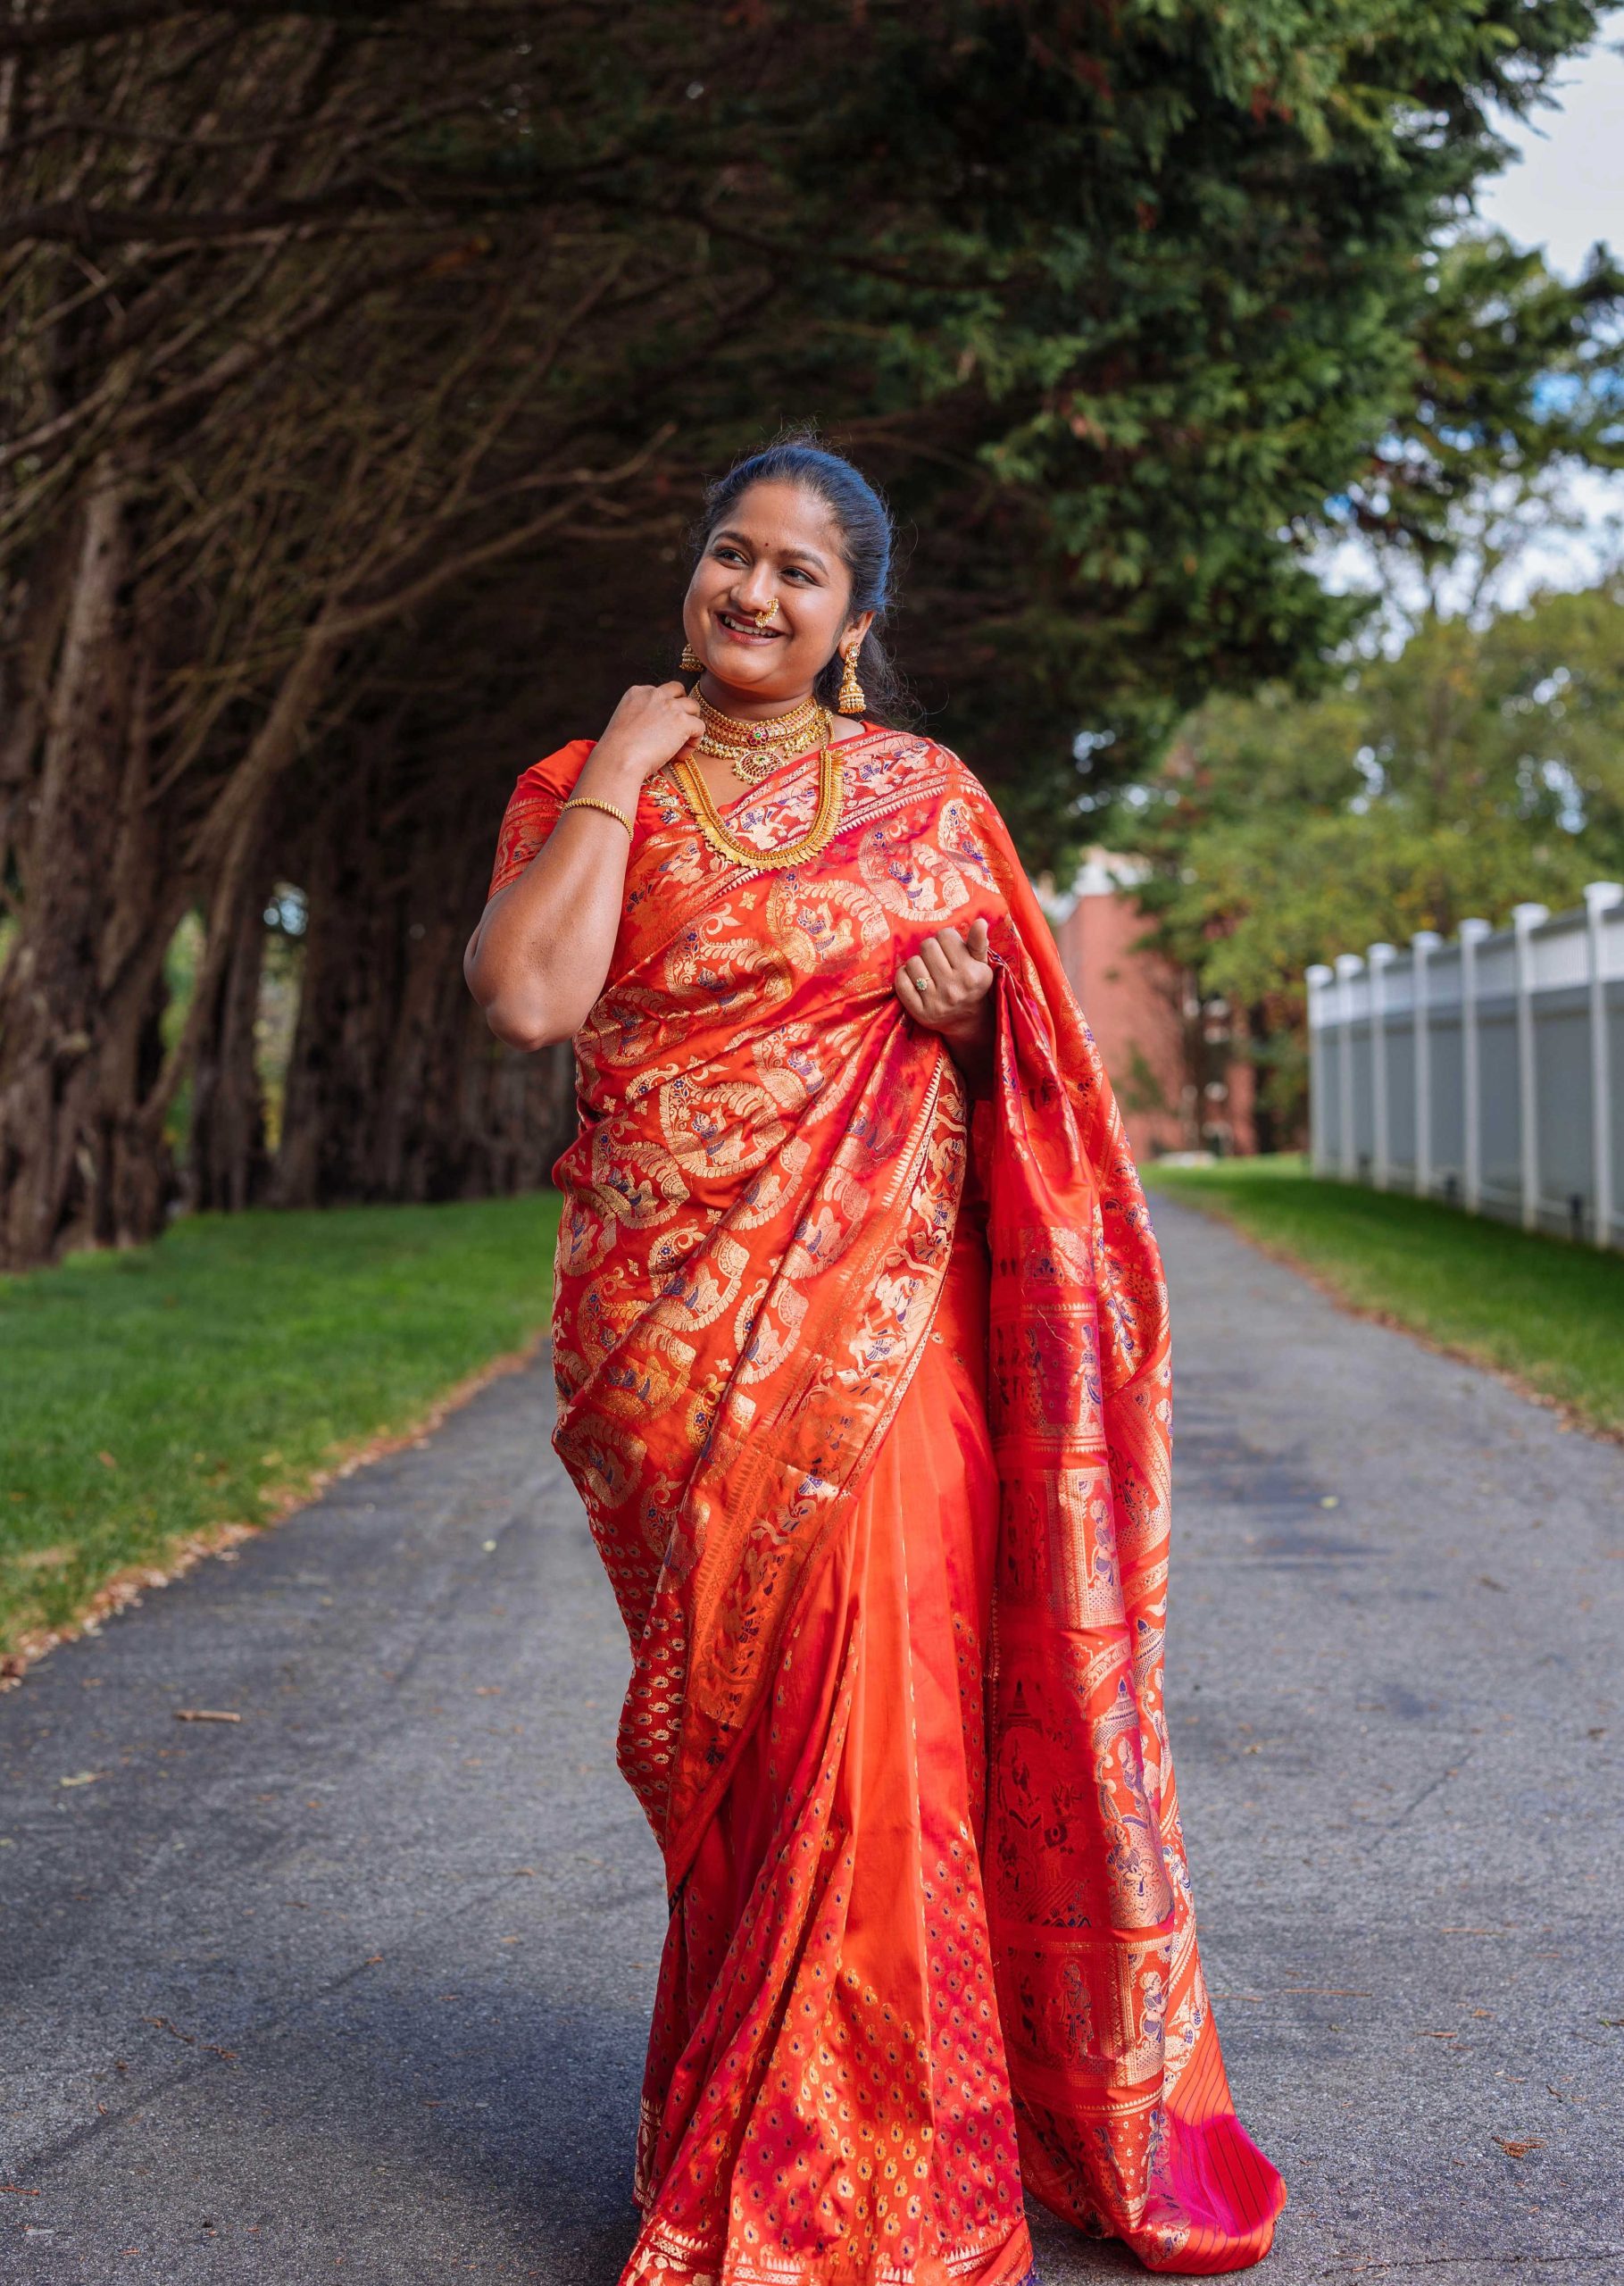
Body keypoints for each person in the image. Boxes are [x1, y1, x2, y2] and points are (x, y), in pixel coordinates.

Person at [464, 438, 1286, 2284]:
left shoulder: (923, 798)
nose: (750, 592)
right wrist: (623, 763)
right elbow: (530, 995)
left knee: (871, 1726)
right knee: (749, 1756)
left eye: (796, 574)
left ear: (856, 623)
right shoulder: (578, 783)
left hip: (882, 1327)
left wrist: (989, 1023)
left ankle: (865, 2182)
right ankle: (742, 2119)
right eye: (725, 557)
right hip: (661, 1345)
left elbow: (1055, 1094)